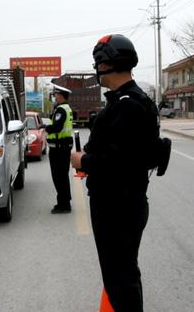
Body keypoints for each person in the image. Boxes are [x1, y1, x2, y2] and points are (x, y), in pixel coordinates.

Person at [71, 34, 160, 312]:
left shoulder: (127, 104)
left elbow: (119, 163)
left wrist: (82, 161)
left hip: (117, 206)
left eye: (98, 63)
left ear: (106, 65)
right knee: (123, 276)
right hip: (123, 202)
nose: (97, 70)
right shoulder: (130, 100)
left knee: (120, 280)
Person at [45, 84, 74, 214]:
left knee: (59, 177)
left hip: (59, 149)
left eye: (56, 94)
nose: (55, 96)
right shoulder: (66, 108)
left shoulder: (61, 110)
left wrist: (46, 128)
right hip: (62, 148)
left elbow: (56, 127)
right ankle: (65, 202)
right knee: (62, 176)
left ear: (61, 95)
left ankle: (63, 205)